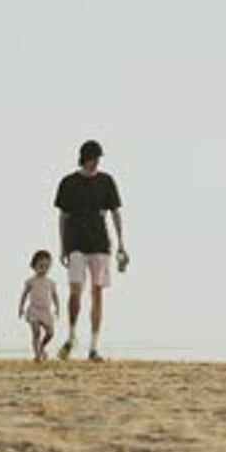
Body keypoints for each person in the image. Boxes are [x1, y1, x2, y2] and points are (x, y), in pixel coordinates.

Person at [54, 140, 128, 362]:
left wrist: (122, 243)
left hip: (100, 244)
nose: (96, 162)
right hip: (76, 242)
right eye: (94, 158)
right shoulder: (68, 183)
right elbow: (63, 217)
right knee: (75, 291)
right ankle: (72, 335)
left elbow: (115, 212)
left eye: (98, 158)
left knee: (97, 292)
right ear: (85, 158)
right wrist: (62, 246)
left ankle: (94, 347)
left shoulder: (106, 181)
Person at [18, 250, 60, 361]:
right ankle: (37, 355)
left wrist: (57, 308)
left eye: (47, 266)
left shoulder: (51, 282)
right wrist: (21, 308)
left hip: (46, 311)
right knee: (36, 332)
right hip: (34, 311)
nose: (44, 269)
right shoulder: (31, 281)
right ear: (34, 266)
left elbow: (55, 296)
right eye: (41, 266)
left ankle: (42, 347)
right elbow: (24, 295)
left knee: (50, 333)